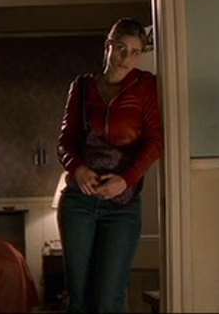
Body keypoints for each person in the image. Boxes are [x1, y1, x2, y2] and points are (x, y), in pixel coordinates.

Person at [55, 17, 163, 313]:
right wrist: (78, 168)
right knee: (79, 299)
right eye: (121, 48)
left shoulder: (146, 86)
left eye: (135, 52)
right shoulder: (82, 87)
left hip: (122, 207)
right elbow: (65, 141)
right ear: (108, 47)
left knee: (109, 299)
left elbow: (156, 141)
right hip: (79, 201)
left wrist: (127, 179)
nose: (126, 58)